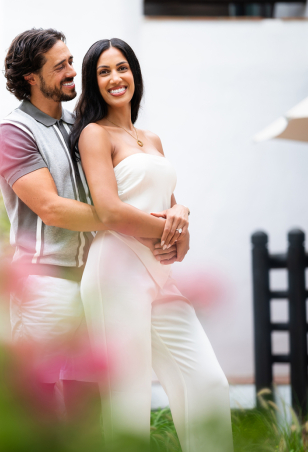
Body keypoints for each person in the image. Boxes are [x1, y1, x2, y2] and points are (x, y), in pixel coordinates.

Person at [0, 28, 187, 418]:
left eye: (70, 61)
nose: (72, 72)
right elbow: (52, 208)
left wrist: (174, 212)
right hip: (46, 285)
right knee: (41, 412)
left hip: (94, 284)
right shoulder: (12, 133)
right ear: (32, 77)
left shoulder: (81, 126)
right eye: (60, 66)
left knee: (92, 411)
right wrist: (141, 223)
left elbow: (127, 189)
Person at [70, 38, 233, 451]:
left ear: (134, 74)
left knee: (209, 383)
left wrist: (183, 219)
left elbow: (175, 231)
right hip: (115, 271)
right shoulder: (94, 134)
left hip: (161, 276)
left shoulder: (152, 139)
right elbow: (107, 211)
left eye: (121, 68)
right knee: (128, 402)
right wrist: (167, 229)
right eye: (103, 72)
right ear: (93, 83)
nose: (115, 78)